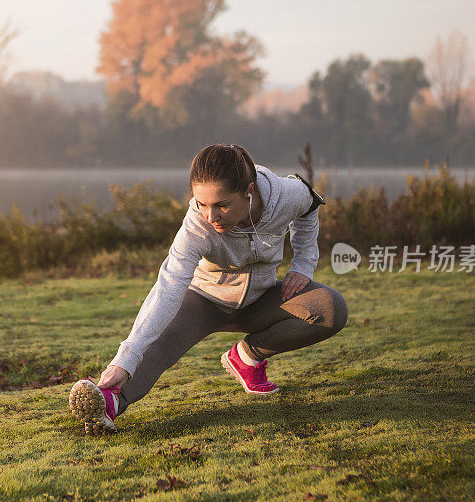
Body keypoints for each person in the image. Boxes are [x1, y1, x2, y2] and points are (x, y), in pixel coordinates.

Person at [68, 143, 348, 435]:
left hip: (261, 300)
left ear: (249, 191)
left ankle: (247, 356)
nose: (211, 216)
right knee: (158, 346)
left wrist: (303, 263)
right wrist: (124, 360)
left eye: (222, 205)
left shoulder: (284, 196)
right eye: (201, 204)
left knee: (331, 309)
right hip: (205, 301)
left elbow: (310, 206)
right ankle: (111, 402)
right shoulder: (197, 226)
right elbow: (168, 286)